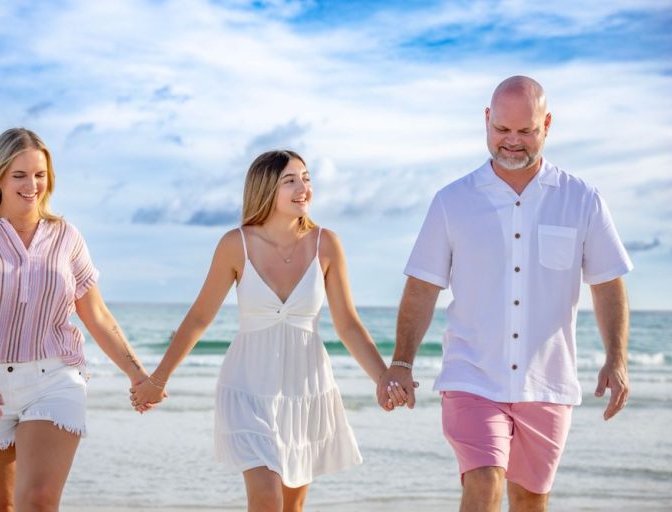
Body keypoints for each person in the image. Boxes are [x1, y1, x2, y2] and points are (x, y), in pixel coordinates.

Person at [377, 76, 633, 512]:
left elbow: (608, 284)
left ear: (547, 124)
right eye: (501, 130)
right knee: (483, 484)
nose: (512, 142)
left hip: (547, 382)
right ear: (486, 121)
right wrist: (401, 362)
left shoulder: (582, 199)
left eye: (525, 131)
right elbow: (422, 287)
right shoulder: (452, 201)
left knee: (530, 501)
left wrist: (617, 358)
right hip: (472, 376)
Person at [130, 150, 392, 511]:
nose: (304, 188)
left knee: (291, 506)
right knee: (266, 498)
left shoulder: (326, 244)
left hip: (306, 392)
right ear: (266, 188)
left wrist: (384, 378)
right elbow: (199, 317)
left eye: (306, 178)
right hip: (248, 388)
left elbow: (348, 324)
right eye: (291, 180)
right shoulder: (235, 244)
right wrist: (158, 380)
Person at [0, 128, 151, 511]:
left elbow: (95, 313)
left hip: (55, 379)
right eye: (20, 175)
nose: (32, 185)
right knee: (1, 505)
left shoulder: (67, 236)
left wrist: (138, 374)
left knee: (40, 502)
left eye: (40, 175)